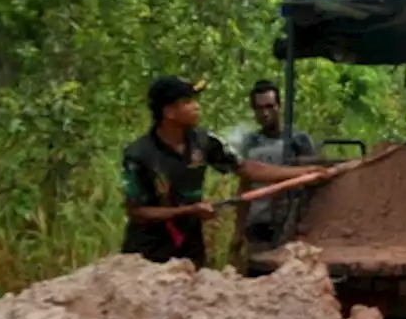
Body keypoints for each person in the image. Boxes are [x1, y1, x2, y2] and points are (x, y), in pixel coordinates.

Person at [120, 76, 326, 269]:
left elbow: (245, 169)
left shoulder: (203, 141)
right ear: (169, 112)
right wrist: (188, 211)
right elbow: (136, 211)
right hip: (148, 251)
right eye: (188, 102)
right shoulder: (139, 155)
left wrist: (302, 172)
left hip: (189, 248)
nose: (196, 106)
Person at [233, 79, 319, 264]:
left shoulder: (298, 140)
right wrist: (238, 230)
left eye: (270, 106)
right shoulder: (251, 143)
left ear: (279, 106)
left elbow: (313, 182)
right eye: (259, 108)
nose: (265, 113)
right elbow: (244, 185)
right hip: (258, 224)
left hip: (290, 224)